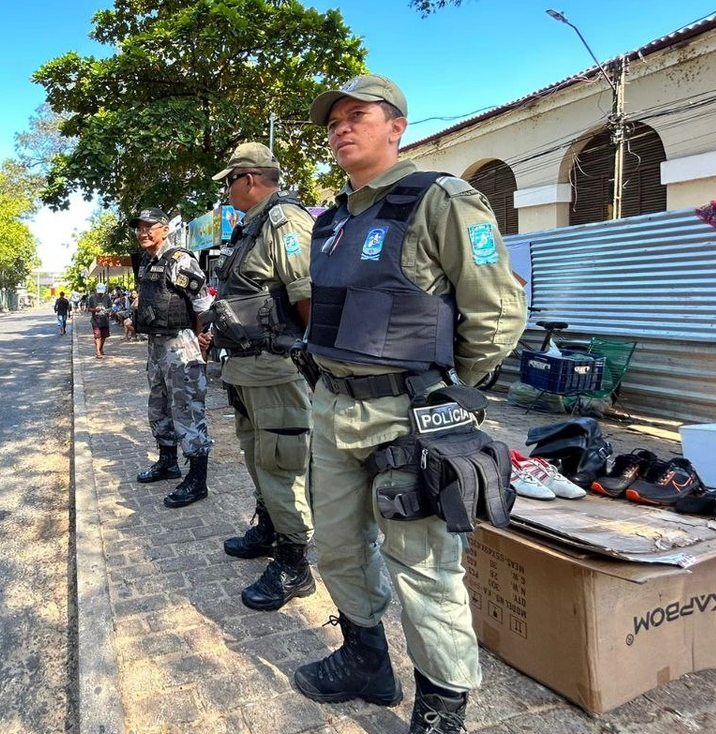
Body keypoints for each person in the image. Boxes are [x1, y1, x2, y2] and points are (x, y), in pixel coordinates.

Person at [293, 74, 526, 732]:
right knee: (337, 548)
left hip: (410, 419)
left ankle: (442, 704)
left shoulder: (443, 199)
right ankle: (367, 660)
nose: (340, 127)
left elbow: (499, 310)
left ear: (396, 125)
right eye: (333, 119)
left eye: (356, 115)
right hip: (332, 410)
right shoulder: (332, 220)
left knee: (423, 569)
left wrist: (454, 389)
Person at [201, 142, 315, 612]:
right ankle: (269, 530)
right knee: (257, 457)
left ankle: (294, 562)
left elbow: (309, 297)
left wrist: (311, 361)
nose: (227, 191)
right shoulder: (254, 225)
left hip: (276, 368)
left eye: (229, 181)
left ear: (249, 178)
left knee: (282, 463)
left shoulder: (286, 221)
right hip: (248, 369)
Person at [130, 208, 214, 508]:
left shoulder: (180, 260)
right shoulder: (146, 262)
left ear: (164, 230)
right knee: (158, 405)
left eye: (149, 227)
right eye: (139, 228)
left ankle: (197, 480)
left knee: (188, 410)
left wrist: (207, 337)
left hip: (180, 346)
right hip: (155, 347)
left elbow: (204, 304)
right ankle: (168, 462)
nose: (142, 232)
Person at [88, 282, 112, 357]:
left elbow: (110, 307)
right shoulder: (92, 297)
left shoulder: (107, 297)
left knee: (104, 336)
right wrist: (95, 310)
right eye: (99, 293)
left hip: (105, 320)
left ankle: (100, 348)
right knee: (97, 336)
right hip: (95, 320)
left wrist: (108, 311)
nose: (100, 294)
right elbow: (88, 309)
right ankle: (97, 351)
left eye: (102, 293)